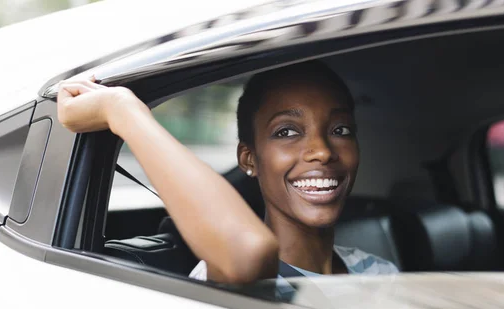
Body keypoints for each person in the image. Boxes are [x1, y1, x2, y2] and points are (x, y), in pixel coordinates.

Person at [57, 61, 397, 285]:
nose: (323, 150)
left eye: (340, 130)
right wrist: (121, 111)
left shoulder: (380, 273)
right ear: (248, 159)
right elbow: (246, 252)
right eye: (287, 132)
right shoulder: (224, 279)